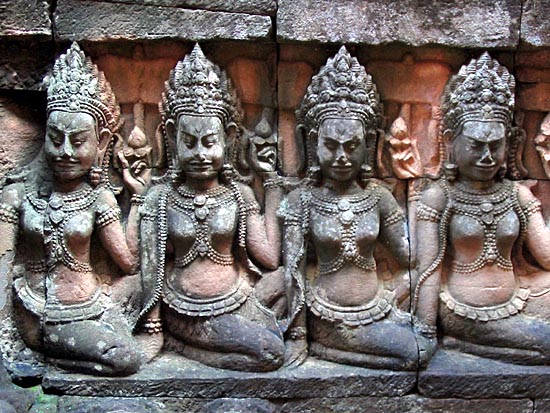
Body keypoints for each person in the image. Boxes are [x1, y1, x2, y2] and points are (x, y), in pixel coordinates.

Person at [137, 44, 285, 372]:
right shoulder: (161, 198)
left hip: (238, 297)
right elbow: (149, 271)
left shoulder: (239, 194)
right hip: (185, 308)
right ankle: (181, 343)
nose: (201, 154)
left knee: (287, 280)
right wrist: (153, 327)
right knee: (271, 353)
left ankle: (195, 345)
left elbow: (270, 258)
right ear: (172, 137)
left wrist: (271, 182)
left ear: (229, 137)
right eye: (189, 143)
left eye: (209, 142)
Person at [0, 43, 145, 375]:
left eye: (78, 142)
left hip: (95, 305)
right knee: (125, 358)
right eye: (56, 139)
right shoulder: (17, 194)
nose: (65, 151)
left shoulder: (99, 198)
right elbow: (2, 268)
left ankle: (62, 358)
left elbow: (128, 263)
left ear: (102, 142)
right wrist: (5, 334)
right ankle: (50, 359)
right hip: (42, 311)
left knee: (143, 287)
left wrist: (138, 198)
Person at [282, 46, 418, 370]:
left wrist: (415, 188)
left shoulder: (379, 198)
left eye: (352, 146)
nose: (342, 157)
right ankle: (324, 346)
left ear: (369, 144)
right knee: (414, 352)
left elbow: (409, 258)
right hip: (326, 313)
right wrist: (299, 335)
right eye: (331, 146)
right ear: (312, 143)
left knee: (420, 349)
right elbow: (293, 272)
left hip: (378, 308)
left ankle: (332, 351)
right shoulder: (302, 200)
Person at [414, 52, 550, 365]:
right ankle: (458, 341)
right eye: (476, 145)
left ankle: (469, 346)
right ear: (451, 141)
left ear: (510, 142)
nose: (487, 156)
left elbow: (546, 257)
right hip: (462, 309)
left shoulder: (517, 195)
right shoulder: (439, 197)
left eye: (495, 145)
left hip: (517, 300)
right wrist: (425, 331)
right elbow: (429, 271)